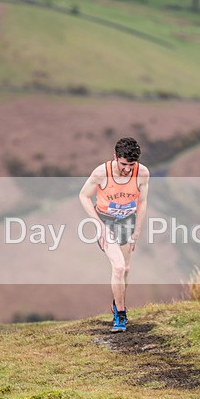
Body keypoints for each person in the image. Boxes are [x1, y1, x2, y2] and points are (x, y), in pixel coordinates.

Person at [79, 137, 150, 333]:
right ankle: (120, 314)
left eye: (131, 165)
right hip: (106, 222)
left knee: (126, 269)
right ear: (115, 157)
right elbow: (83, 196)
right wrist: (99, 225)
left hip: (128, 221)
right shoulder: (101, 173)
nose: (127, 169)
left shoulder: (142, 174)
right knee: (118, 267)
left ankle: (116, 300)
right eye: (124, 164)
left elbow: (142, 202)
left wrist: (137, 231)